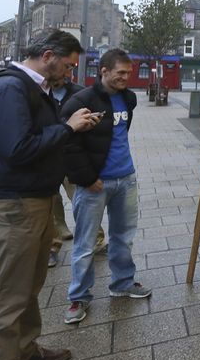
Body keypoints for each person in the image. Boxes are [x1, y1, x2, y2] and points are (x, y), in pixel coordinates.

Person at [0, 29, 100, 360]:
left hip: (34, 202)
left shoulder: (36, 88)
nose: (69, 72)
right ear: (48, 56)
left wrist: (68, 126)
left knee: (29, 284)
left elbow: (35, 138)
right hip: (13, 207)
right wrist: (69, 128)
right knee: (7, 296)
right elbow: (17, 149)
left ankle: (26, 351)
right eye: (67, 64)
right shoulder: (9, 89)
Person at [62, 48, 149, 325]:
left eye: (129, 73)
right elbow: (68, 144)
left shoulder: (128, 99)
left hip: (127, 178)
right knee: (86, 243)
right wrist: (87, 178)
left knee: (124, 236)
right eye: (120, 73)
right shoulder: (81, 101)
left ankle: (122, 283)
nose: (126, 77)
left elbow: (120, 135)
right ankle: (78, 297)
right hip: (94, 185)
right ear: (104, 71)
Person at [46, 67, 106, 268]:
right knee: (50, 203)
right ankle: (52, 246)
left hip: (73, 157)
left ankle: (97, 241)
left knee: (84, 200)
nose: (66, 74)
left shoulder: (80, 93)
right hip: (48, 157)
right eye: (64, 69)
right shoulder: (37, 94)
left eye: (69, 71)